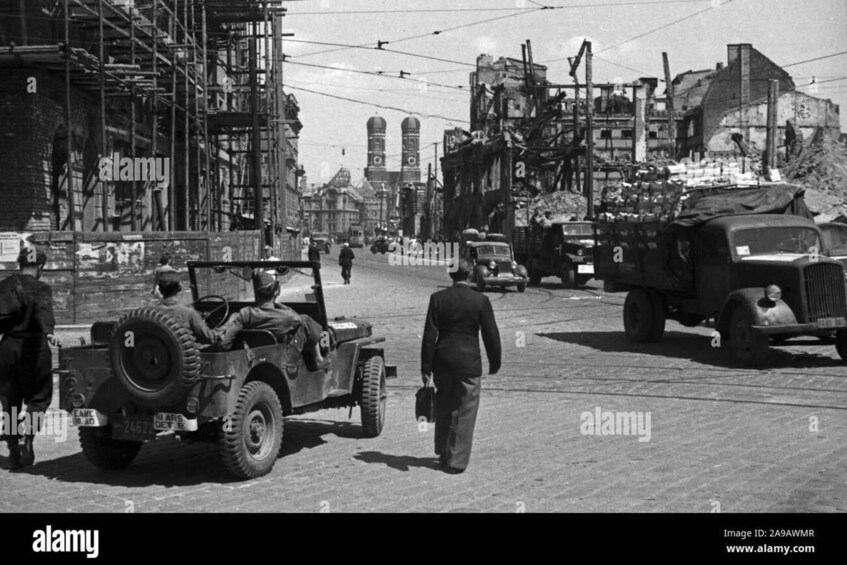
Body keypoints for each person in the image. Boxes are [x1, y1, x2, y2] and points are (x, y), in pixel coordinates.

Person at [420, 257, 501, 474]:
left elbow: (429, 336)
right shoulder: (480, 301)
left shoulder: (437, 298)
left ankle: (443, 452)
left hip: (443, 362)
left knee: (445, 406)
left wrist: (426, 366)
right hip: (469, 363)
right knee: (465, 412)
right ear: (471, 274)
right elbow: (491, 335)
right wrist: (495, 362)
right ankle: (456, 461)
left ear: (450, 275)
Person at [0, 247, 60, 470]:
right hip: (35, 347)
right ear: (41, 267)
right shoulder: (42, 287)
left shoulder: (5, 285)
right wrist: (50, 332)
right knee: (38, 397)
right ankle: (29, 439)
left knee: (10, 401)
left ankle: (13, 450)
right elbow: (44, 311)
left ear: (19, 264)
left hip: (8, 347)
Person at [216, 272, 328, 371]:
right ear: (276, 292)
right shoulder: (288, 317)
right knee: (306, 320)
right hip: (284, 357)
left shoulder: (245, 313)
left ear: (257, 293)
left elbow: (225, 343)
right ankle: (319, 357)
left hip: (254, 355)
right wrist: (278, 304)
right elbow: (298, 319)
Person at [155, 271, 217, 345]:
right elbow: (210, 338)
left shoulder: (153, 313)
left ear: (160, 289)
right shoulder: (190, 314)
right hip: (187, 355)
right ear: (179, 287)